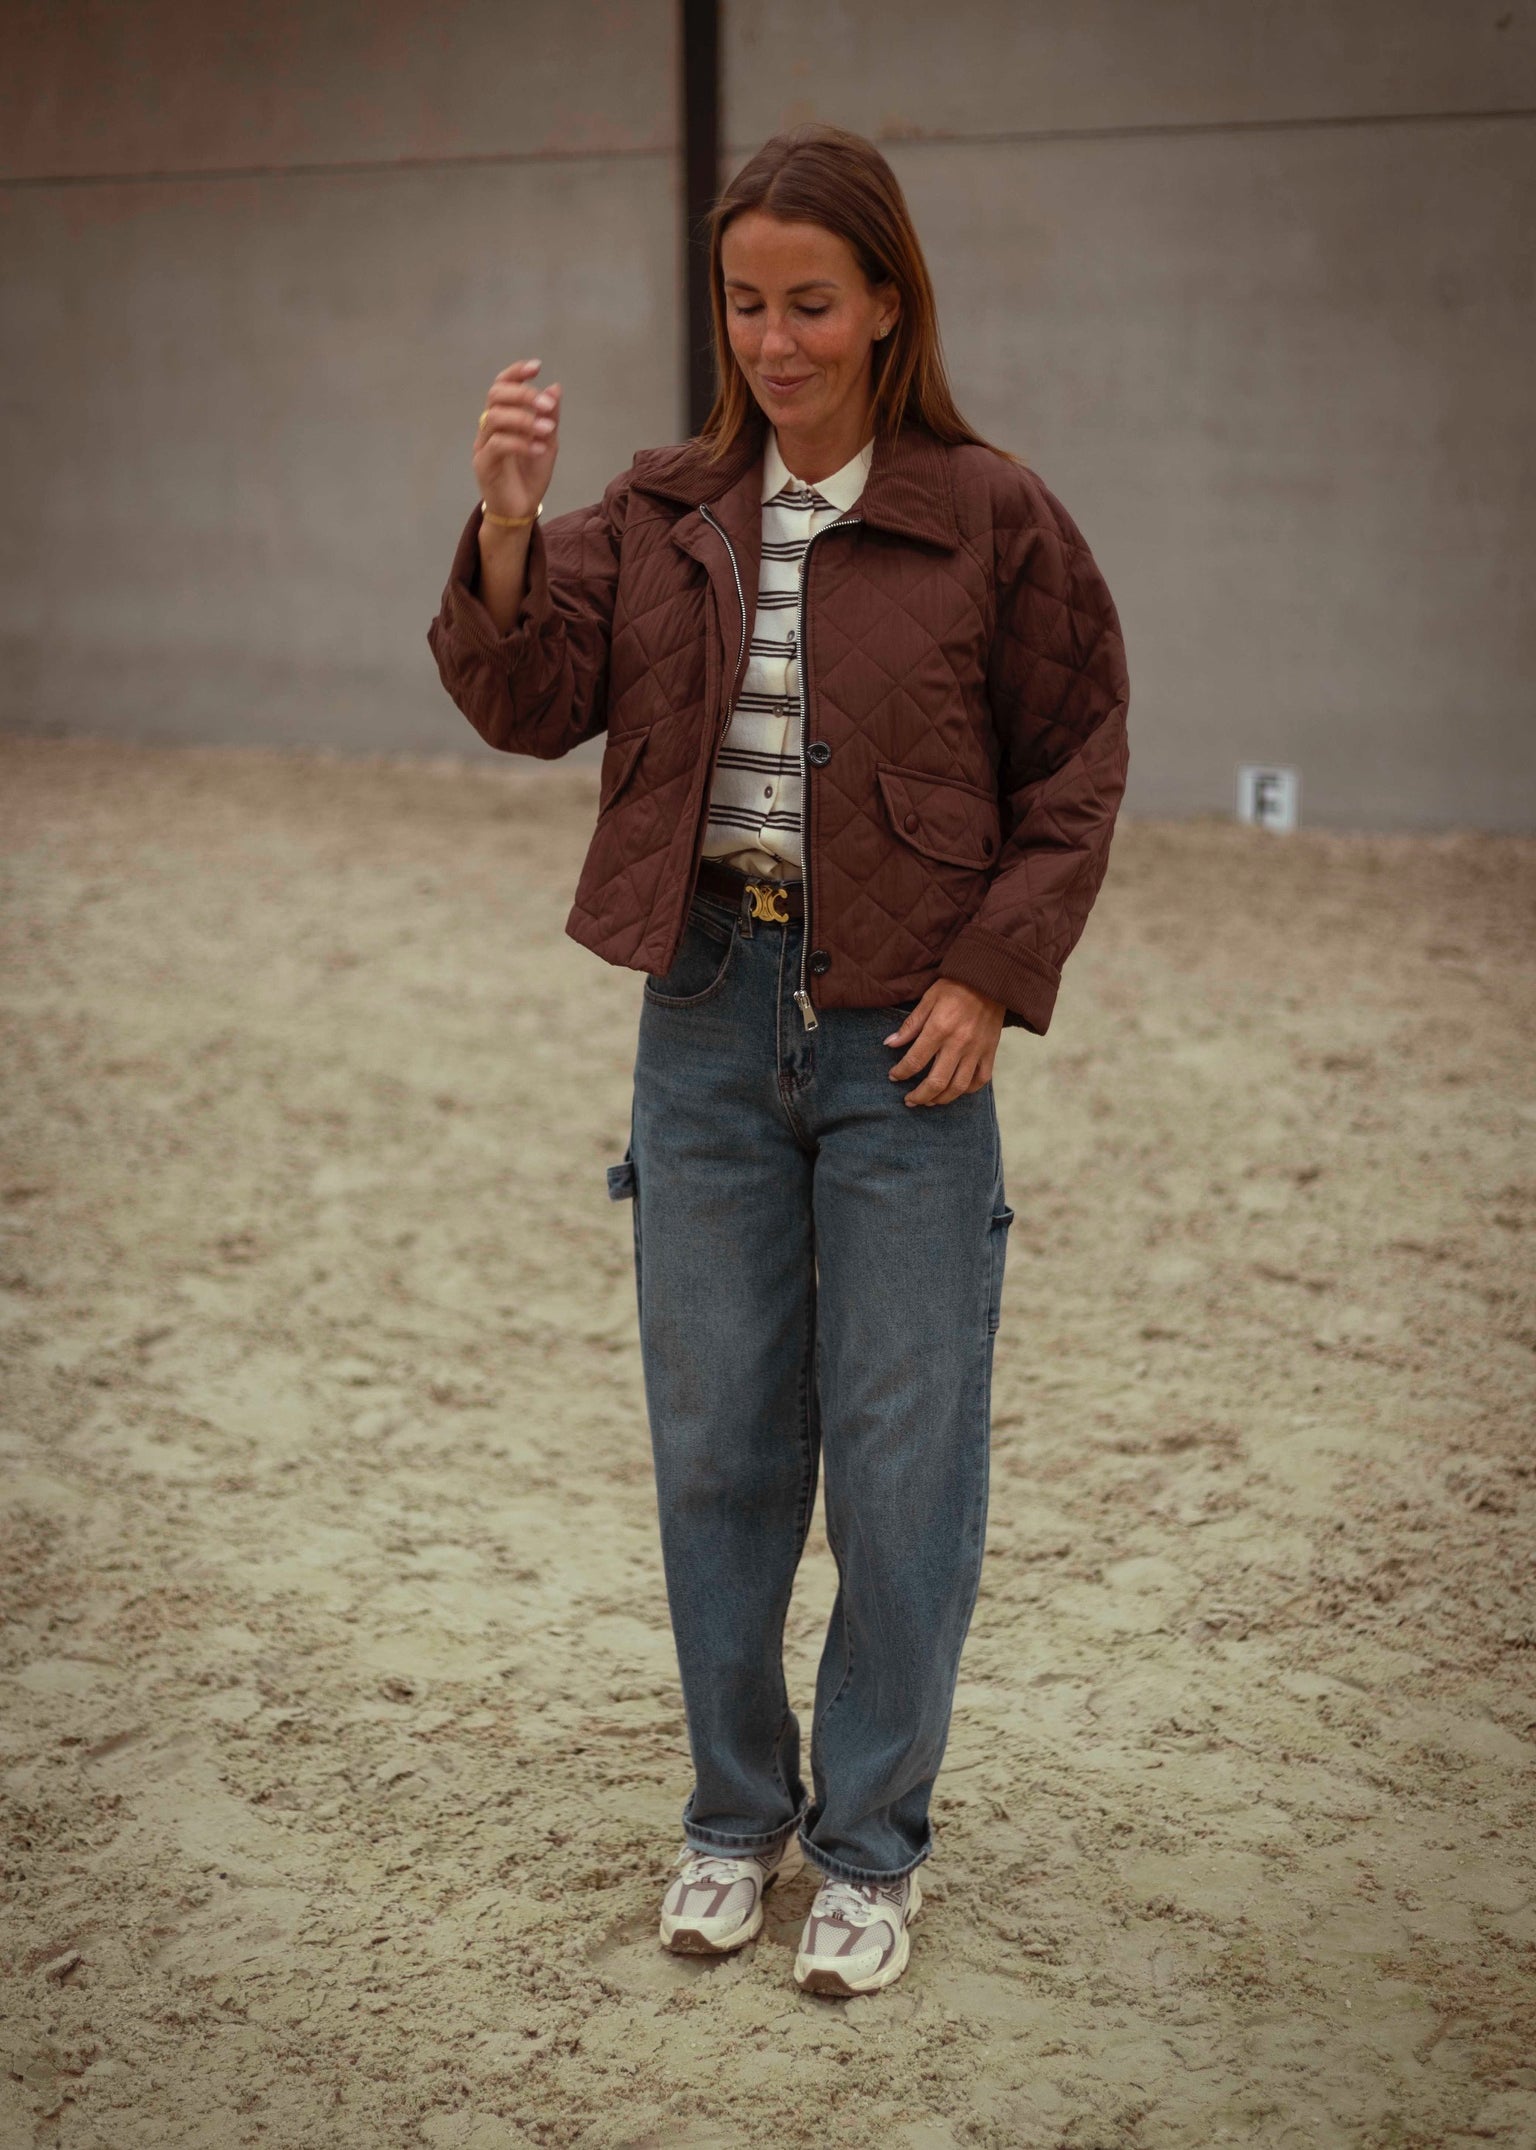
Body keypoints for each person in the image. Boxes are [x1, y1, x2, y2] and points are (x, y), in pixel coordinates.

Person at [427, 122, 1129, 1998]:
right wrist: (509, 524)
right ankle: (734, 1817)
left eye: (811, 303)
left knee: (904, 1462)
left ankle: (872, 1845)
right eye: (746, 304)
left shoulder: (994, 515)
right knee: (720, 1448)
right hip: (703, 1021)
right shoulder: (663, 509)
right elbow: (523, 696)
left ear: (889, 302)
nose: (774, 340)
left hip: (909, 1042)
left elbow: (1077, 762)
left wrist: (990, 974)